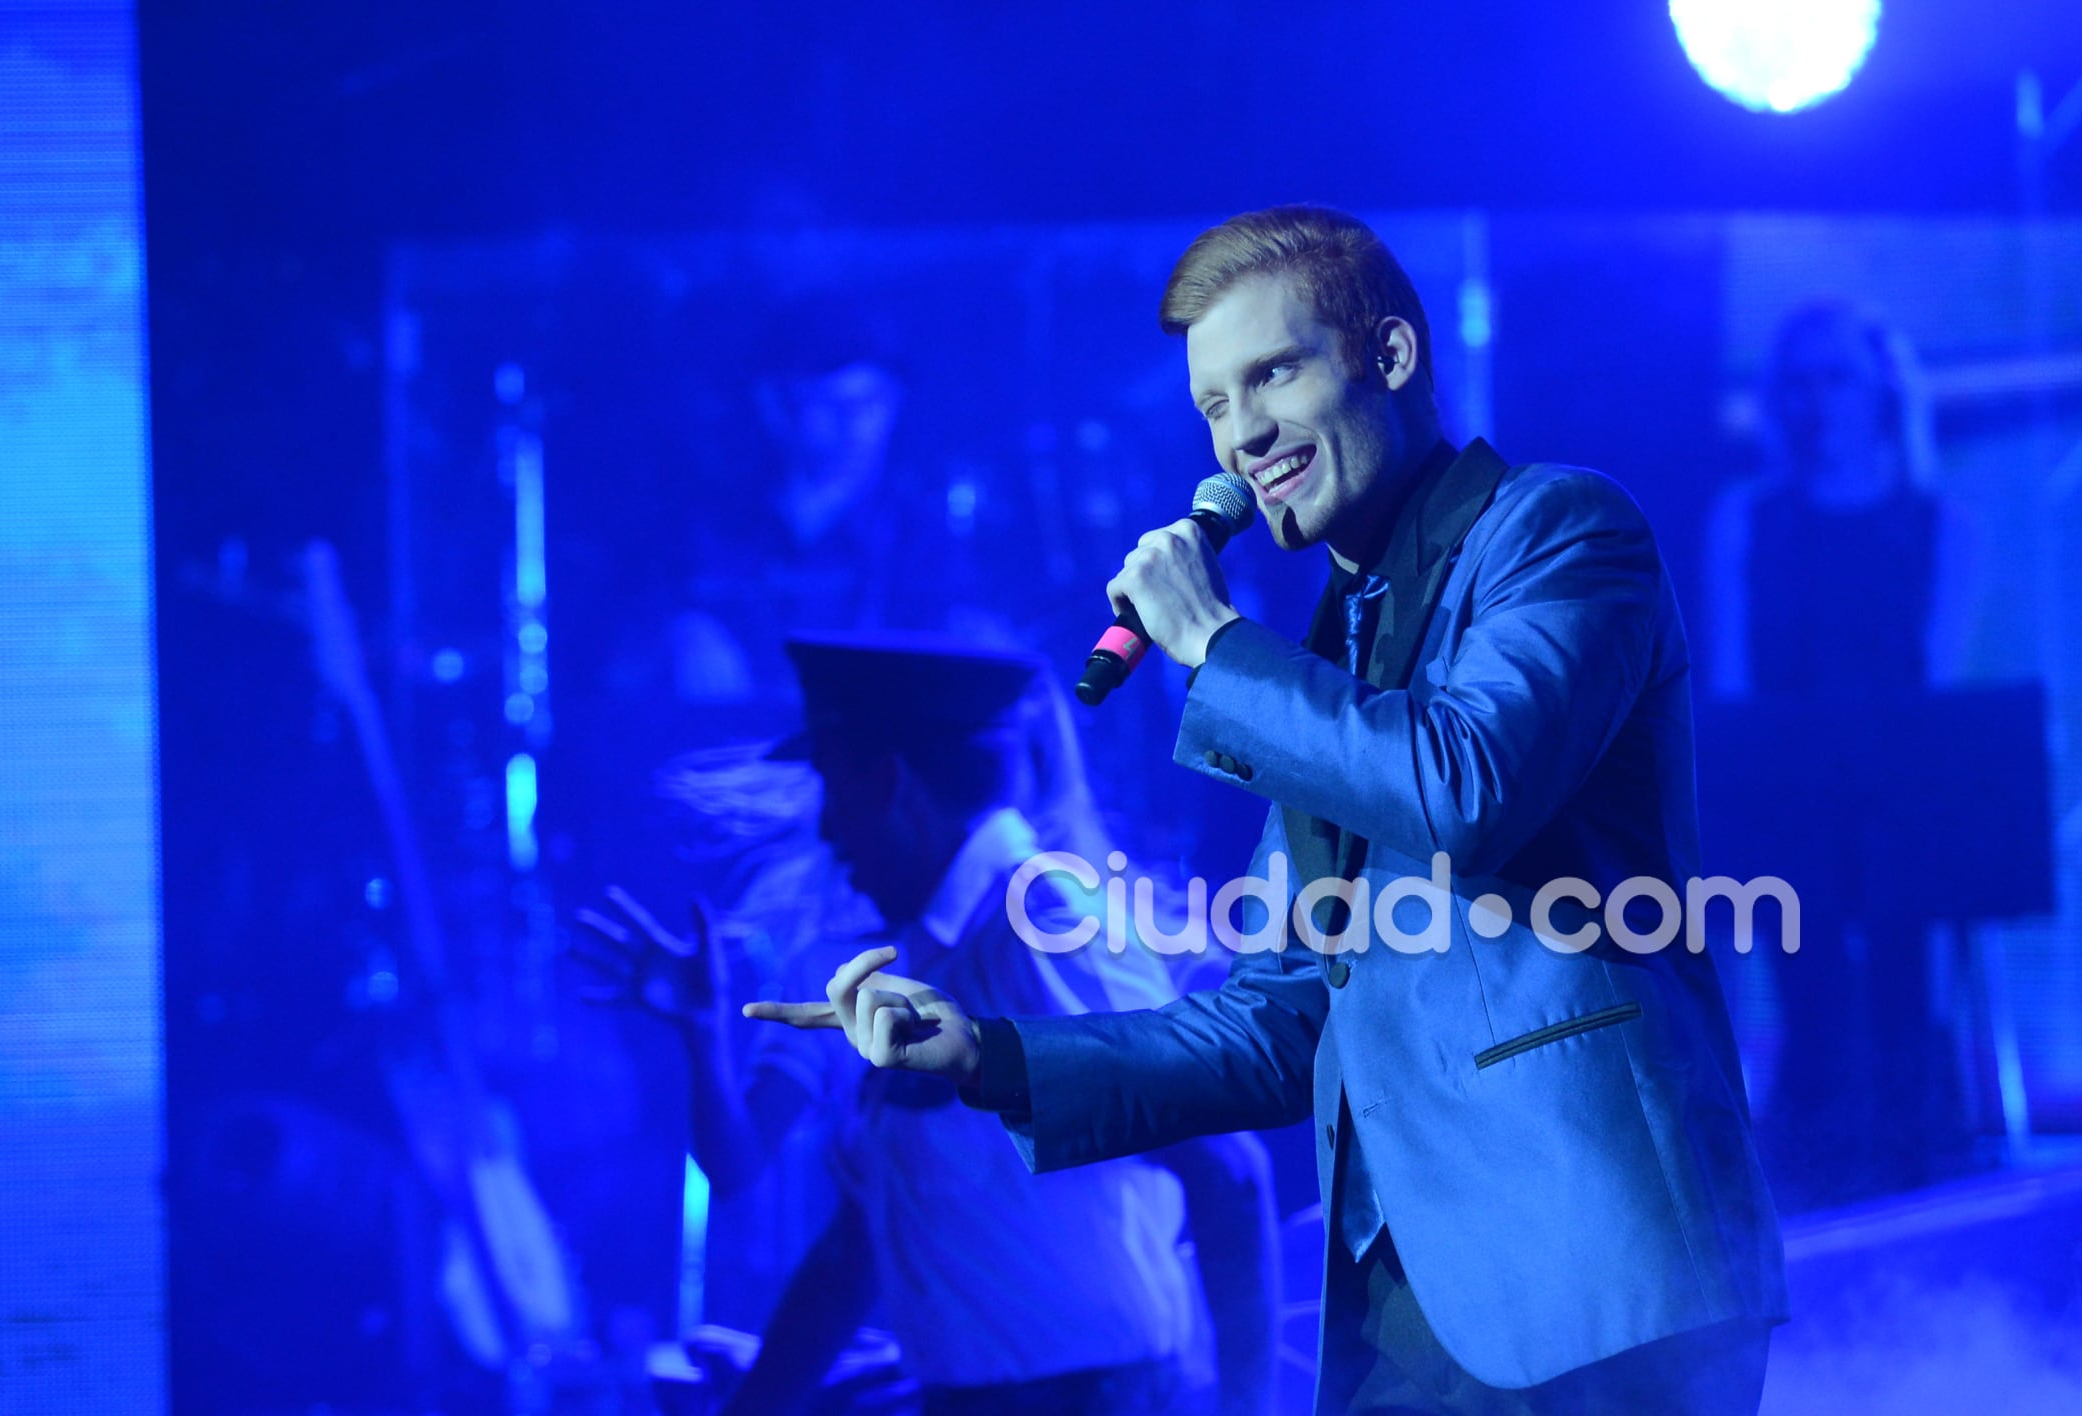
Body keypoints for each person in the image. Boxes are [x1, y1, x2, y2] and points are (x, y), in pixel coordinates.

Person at [752, 206, 1789, 1414]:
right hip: (1402, 1318)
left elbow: (1462, 789)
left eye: (1270, 375)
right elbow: (1274, 1023)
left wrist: (1210, 643)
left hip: (1589, 1266)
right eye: (1210, 406)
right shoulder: (1327, 651)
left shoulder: (1558, 532)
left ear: (1388, 357)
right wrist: (982, 1053)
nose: (1238, 435)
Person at [582, 633, 1282, 1416]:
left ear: (888, 784)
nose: (824, 831)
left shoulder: (1037, 930)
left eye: (831, 789)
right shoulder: (931, 959)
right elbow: (858, 1247)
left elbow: (1226, 1172)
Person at [1705, 300, 1977, 1207]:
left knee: (1907, 1002)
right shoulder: (1745, 522)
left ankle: (1917, 1172)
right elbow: (1738, 702)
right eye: (1799, 382)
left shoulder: (1939, 524)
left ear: (1881, 394)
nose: (1817, 403)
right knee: (1811, 1000)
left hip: (1905, 813)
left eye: (1837, 379)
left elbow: (1936, 696)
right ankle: (1816, 1180)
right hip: (1789, 818)